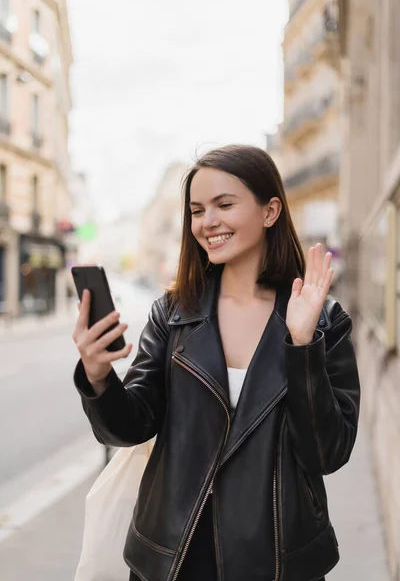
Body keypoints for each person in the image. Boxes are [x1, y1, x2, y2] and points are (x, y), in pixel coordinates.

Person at [73, 144, 360, 581]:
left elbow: (327, 452)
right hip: (175, 555)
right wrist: (98, 376)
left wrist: (303, 345)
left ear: (270, 212)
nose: (208, 222)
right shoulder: (173, 313)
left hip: (279, 561)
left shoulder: (323, 320)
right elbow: (130, 427)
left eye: (224, 204)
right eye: (197, 210)